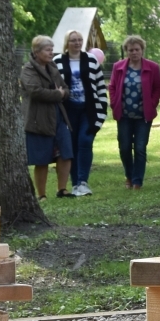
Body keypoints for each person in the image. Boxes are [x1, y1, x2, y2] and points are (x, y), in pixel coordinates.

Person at [20, 35, 74, 199]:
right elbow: (35, 91)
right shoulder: (28, 69)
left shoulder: (53, 67)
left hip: (58, 117)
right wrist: (57, 94)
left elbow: (65, 89)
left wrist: (61, 93)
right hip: (38, 120)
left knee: (66, 153)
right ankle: (41, 194)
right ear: (36, 52)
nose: (51, 53)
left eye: (52, 49)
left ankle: (62, 190)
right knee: (41, 158)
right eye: (47, 50)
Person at [56, 30, 109, 196]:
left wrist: (101, 111)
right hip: (67, 111)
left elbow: (100, 87)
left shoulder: (91, 60)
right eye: (73, 40)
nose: (77, 43)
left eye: (79, 40)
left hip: (88, 110)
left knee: (85, 141)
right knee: (71, 146)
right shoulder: (57, 61)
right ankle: (74, 184)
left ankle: (83, 182)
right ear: (67, 43)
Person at [109, 35, 160, 189]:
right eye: (130, 50)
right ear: (126, 51)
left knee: (140, 148)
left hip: (143, 115)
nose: (134, 52)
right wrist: (114, 102)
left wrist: (152, 103)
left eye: (137, 49)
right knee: (125, 147)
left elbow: (158, 88)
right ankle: (129, 175)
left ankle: (137, 181)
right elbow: (112, 86)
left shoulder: (152, 67)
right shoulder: (118, 67)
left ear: (142, 50)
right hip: (124, 114)